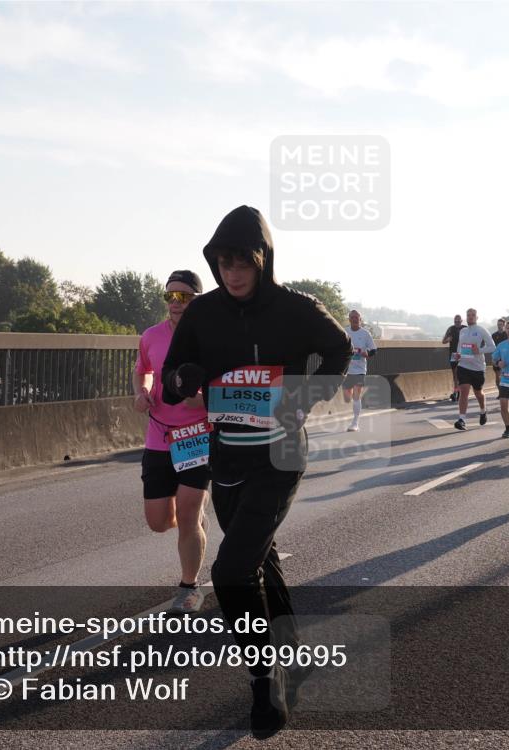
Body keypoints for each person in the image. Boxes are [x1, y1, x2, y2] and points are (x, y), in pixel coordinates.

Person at [161, 206, 352, 738]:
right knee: (259, 559)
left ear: (262, 261)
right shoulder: (202, 314)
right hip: (226, 458)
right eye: (224, 263)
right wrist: (185, 376)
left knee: (231, 570)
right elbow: (171, 379)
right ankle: (291, 653)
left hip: (279, 455)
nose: (233, 273)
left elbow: (340, 350)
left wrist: (308, 395)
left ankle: (264, 680)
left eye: (243, 262)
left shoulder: (296, 308)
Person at [133, 270, 211, 614]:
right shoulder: (151, 336)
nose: (175, 303)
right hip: (159, 436)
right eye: (170, 296)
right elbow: (142, 370)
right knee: (159, 522)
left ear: (197, 300)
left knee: (190, 514)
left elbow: (231, 384)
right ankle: (192, 522)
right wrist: (142, 392)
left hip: (197, 437)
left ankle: (189, 586)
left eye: (184, 297)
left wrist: (205, 400)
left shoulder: (211, 339)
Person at [452, 308, 496, 430]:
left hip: (477, 368)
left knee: (478, 393)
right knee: (464, 391)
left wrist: (479, 350)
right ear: (466, 317)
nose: (470, 317)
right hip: (464, 366)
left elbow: (492, 347)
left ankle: (483, 410)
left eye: (473, 315)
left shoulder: (481, 330)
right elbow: (460, 347)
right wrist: (458, 355)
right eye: (468, 315)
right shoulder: (463, 331)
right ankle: (462, 419)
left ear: (477, 317)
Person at [343, 310, 377, 431]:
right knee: (347, 397)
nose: (354, 319)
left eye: (356, 318)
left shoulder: (365, 334)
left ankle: (355, 422)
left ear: (360, 319)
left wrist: (366, 353)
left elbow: (374, 350)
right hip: (347, 369)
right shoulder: (345, 332)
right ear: (349, 319)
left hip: (360, 369)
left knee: (356, 395)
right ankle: (351, 398)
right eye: (352, 317)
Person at [442, 314, 465, 402]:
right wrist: (448, 340)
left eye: (459, 321)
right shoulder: (451, 329)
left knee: (463, 374)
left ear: (461, 321)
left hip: (464, 354)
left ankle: (462, 391)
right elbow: (443, 341)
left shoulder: (465, 328)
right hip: (454, 354)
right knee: (455, 374)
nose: (457, 323)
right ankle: (456, 392)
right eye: (456, 321)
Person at [491, 318, 508, 388]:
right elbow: (491, 347)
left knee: (504, 376)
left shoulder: (507, 334)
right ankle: (500, 392)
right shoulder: (494, 335)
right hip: (496, 358)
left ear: (504, 325)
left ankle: (505, 391)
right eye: (498, 324)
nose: (499, 326)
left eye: (500, 325)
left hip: (505, 358)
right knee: (498, 377)